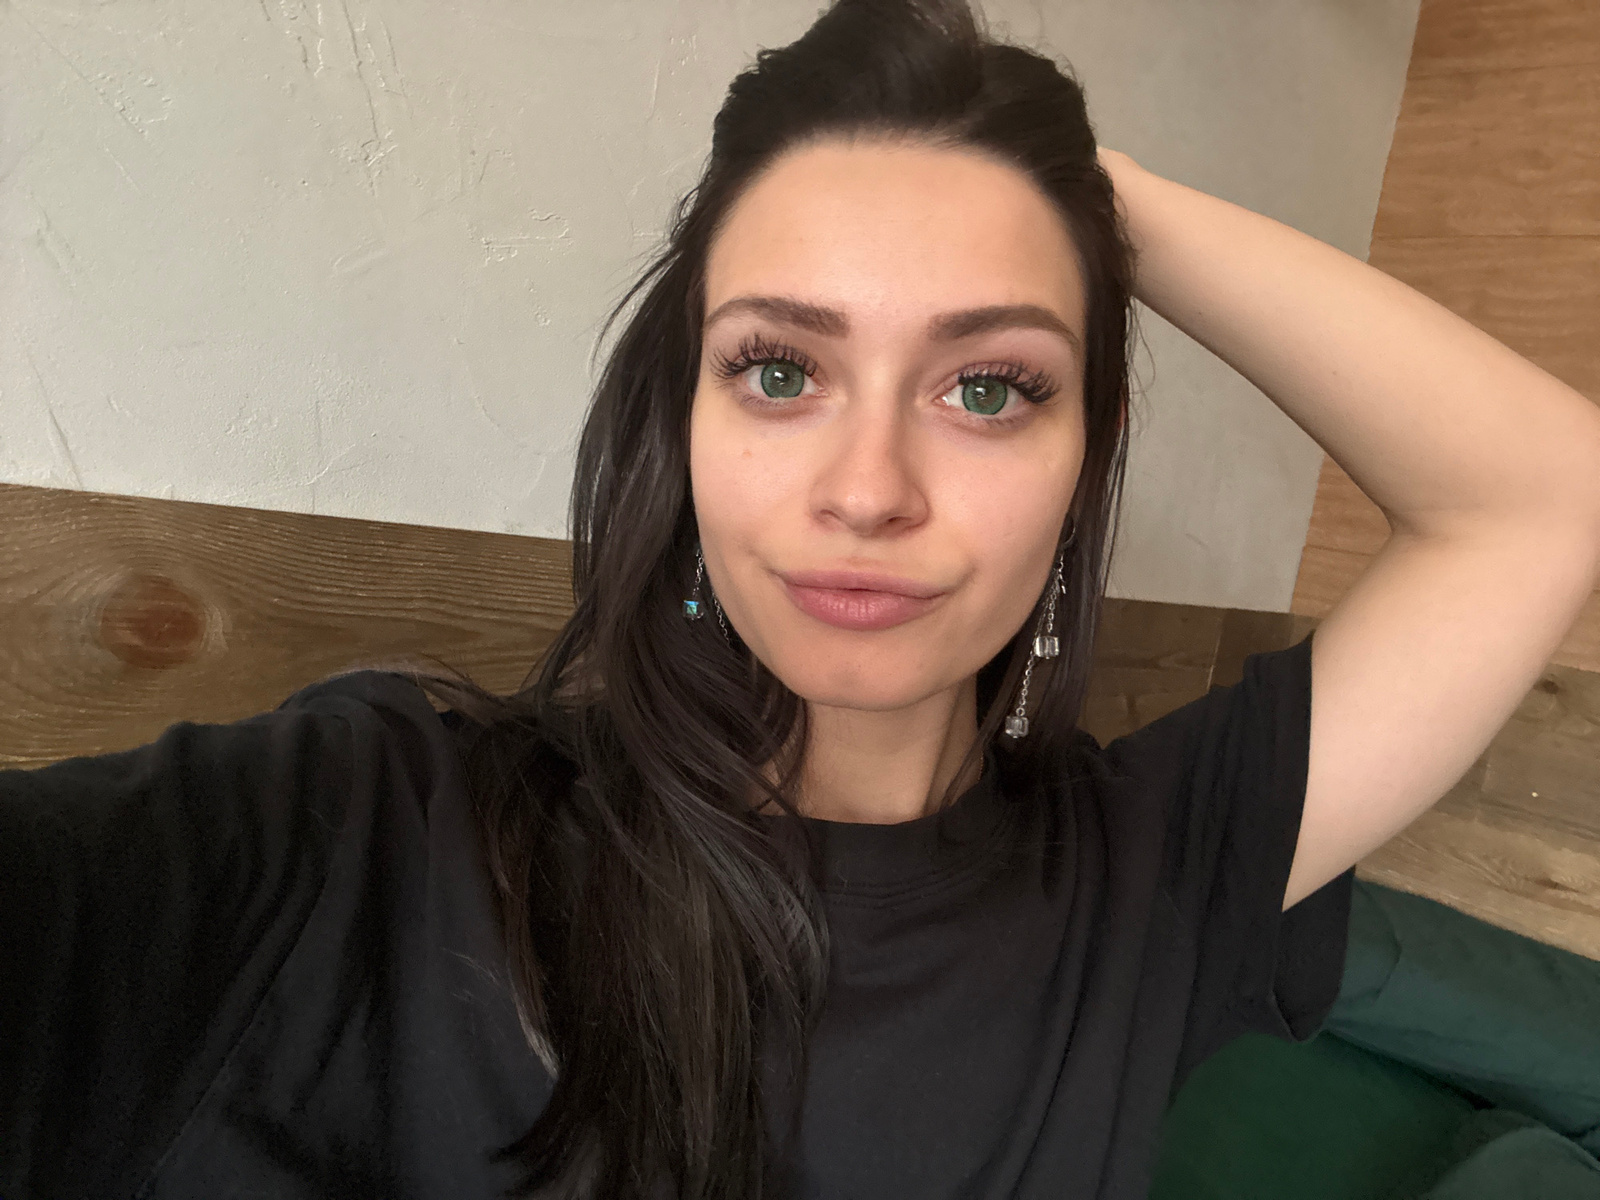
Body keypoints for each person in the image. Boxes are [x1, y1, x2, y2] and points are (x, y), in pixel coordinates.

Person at [5, 0, 1600, 1197]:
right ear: (682, 426)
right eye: (779, 370)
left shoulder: (1160, 870)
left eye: (990, 385)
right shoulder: (362, 838)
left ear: (1087, 456)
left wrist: (1071, 190)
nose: (867, 488)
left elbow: (1546, 494)